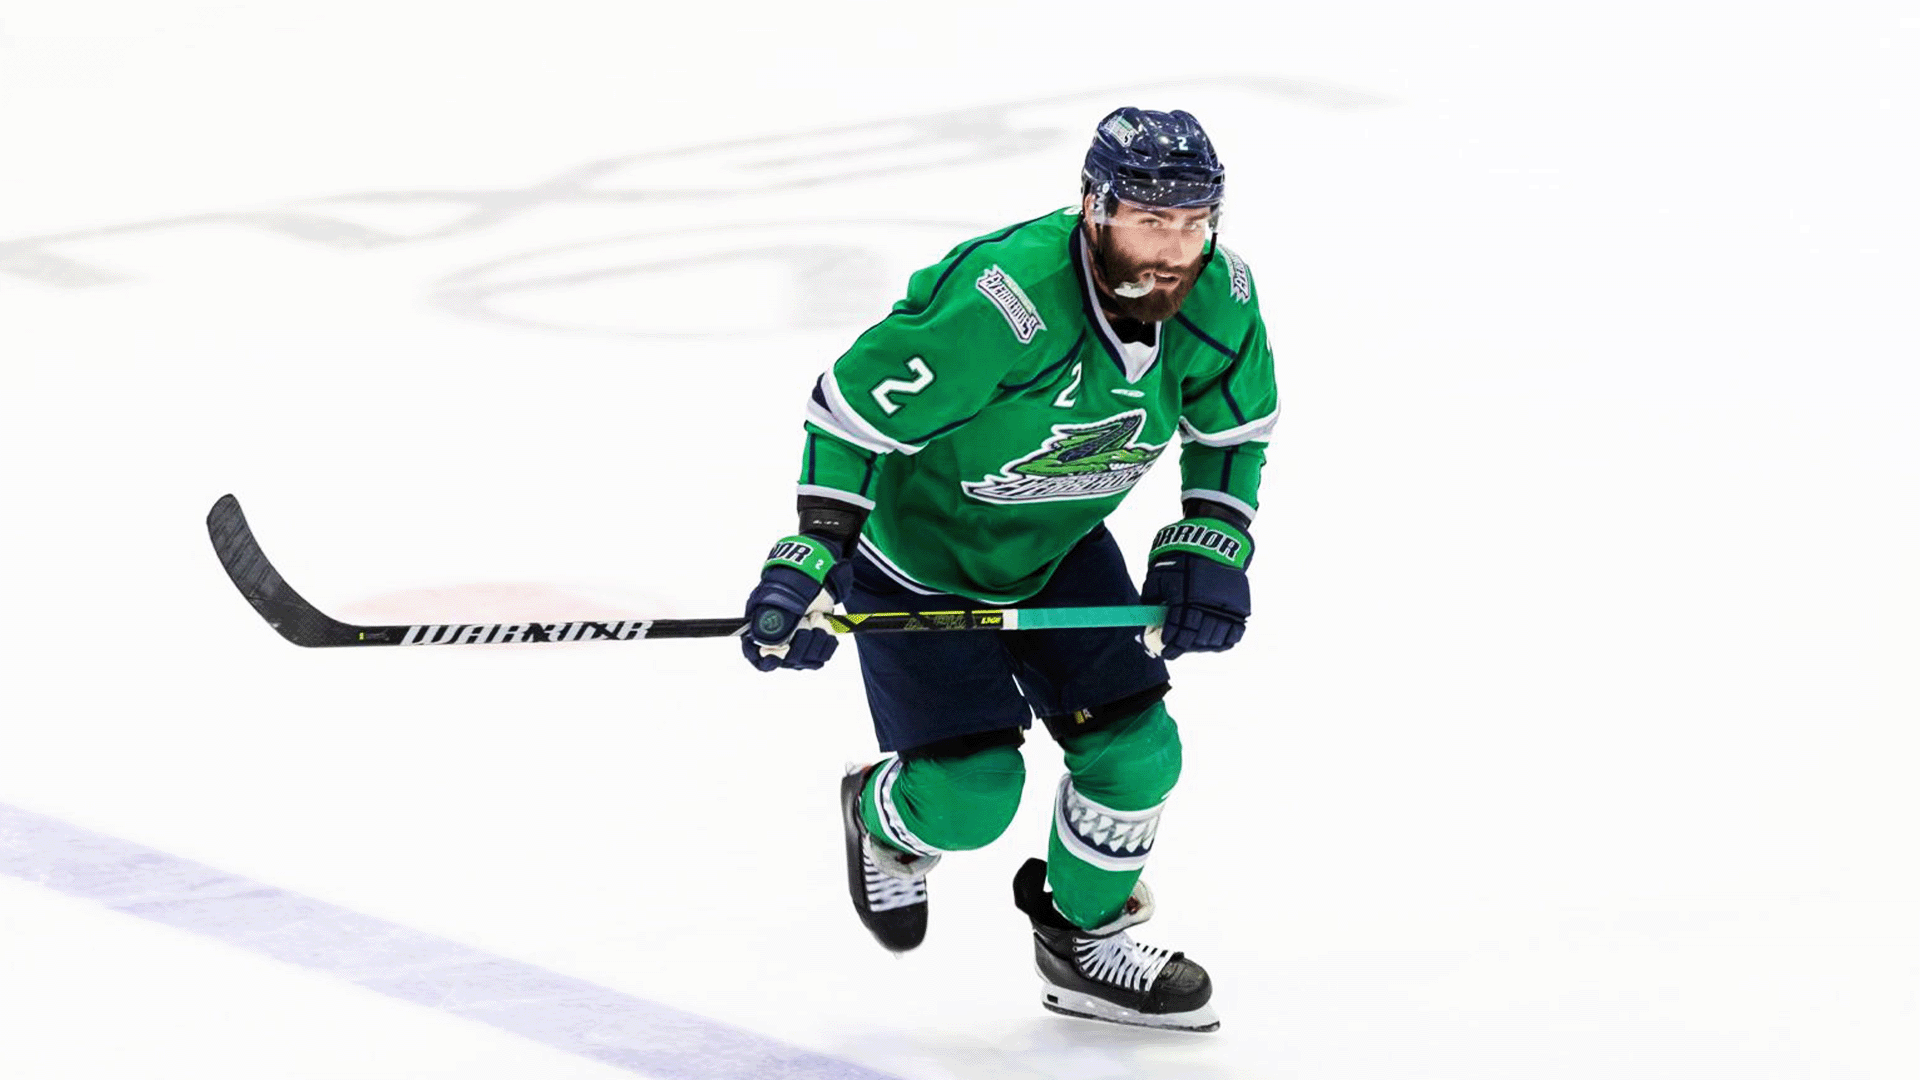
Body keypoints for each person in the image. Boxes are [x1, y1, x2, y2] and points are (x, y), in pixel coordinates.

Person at [740, 107, 1276, 1033]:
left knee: (1139, 753)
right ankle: (882, 815)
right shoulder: (1004, 304)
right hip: (918, 560)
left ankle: (1083, 942)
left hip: (1059, 545)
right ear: (1093, 206)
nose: (1173, 249)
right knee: (969, 800)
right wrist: (813, 555)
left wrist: (1212, 538)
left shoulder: (1220, 293)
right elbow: (850, 414)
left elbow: (1233, 429)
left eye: (1194, 222)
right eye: (1151, 219)